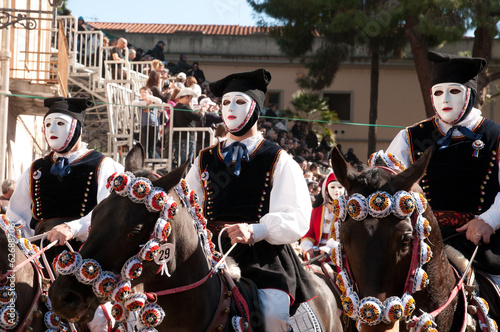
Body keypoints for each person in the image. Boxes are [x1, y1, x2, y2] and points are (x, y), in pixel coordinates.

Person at [186, 68, 316, 331]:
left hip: (262, 255)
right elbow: (189, 206)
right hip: (210, 252)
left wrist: (258, 229)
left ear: (256, 109)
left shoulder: (277, 157)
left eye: (240, 101)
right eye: (225, 102)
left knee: (273, 315)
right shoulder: (204, 158)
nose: (230, 108)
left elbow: (297, 213)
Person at [387, 50, 500, 282]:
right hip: (421, 242)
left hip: (481, 245)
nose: (445, 99)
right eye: (438, 92)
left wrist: (488, 220)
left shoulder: (495, 136)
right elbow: (387, 185)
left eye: (454, 91)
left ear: (470, 94)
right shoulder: (410, 137)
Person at [7, 97, 124, 243]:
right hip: (39, 253)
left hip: (84, 253)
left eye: (60, 123)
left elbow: (110, 212)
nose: (52, 130)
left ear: (77, 128)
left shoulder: (103, 165)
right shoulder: (35, 169)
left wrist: (73, 228)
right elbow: (16, 217)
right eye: (48, 124)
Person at [300, 172, 345, 260]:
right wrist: (308, 248)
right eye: (332, 187)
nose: (337, 190)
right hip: (314, 253)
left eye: (340, 187)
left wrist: (328, 248)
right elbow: (309, 233)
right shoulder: (316, 211)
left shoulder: (347, 213)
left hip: (337, 256)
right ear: (326, 191)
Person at [172, 87, 203, 166]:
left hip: (179, 138)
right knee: (186, 163)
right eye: (190, 98)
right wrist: (202, 112)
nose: (191, 101)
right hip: (186, 138)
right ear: (186, 96)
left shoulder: (176, 107)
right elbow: (197, 117)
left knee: (182, 162)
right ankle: (184, 177)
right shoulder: (184, 107)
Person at [132, 87, 165, 159]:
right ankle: (145, 161)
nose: (143, 94)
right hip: (144, 126)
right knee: (143, 146)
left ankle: (156, 162)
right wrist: (145, 103)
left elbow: (159, 101)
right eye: (141, 92)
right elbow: (134, 103)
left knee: (152, 147)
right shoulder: (140, 102)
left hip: (153, 126)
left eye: (145, 92)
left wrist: (149, 97)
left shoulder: (154, 101)